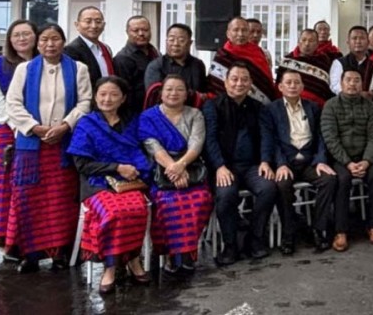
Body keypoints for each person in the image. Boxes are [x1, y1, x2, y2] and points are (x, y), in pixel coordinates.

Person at [5, 24, 92, 271]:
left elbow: (85, 102)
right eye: (45, 40)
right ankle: (29, 254)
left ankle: (59, 253)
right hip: (31, 147)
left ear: (63, 42)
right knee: (27, 199)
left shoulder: (78, 69)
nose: (50, 44)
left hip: (64, 144)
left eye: (55, 39)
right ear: (38, 43)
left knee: (61, 201)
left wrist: (65, 125)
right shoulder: (24, 69)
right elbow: (13, 103)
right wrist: (34, 127)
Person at [67, 76, 150, 294]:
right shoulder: (86, 124)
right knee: (114, 212)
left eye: (114, 94)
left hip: (128, 182)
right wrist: (116, 168)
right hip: (96, 183)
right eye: (102, 94)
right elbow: (82, 164)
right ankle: (110, 267)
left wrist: (132, 170)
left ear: (123, 98)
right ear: (95, 96)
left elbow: (140, 154)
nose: (107, 99)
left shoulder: (132, 123)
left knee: (136, 209)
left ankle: (133, 260)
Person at [137, 75, 213, 277]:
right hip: (161, 170)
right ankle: (172, 254)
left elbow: (197, 142)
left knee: (200, 199)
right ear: (161, 93)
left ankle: (187, 252)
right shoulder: (148, 116)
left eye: (179, 89)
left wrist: (181, 165)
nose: (173, 93)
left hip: (190, 166)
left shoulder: (195, 114)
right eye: (169, 89)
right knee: (167, 202)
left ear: (186, 93)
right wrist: (173, 168)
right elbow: (152, 145)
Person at [203, 63, 278, 265]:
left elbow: (266, 137)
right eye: (234, 79)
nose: (239, 83)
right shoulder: (212, 106)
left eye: (244, 79)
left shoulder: (259, 107)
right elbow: (209, 140)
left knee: (269, 188)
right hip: (224, 166)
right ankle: (230, 245)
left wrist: (265, 161)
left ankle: (254, 238)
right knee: (226, 194)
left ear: (250, 83)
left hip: (252, 165)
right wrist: (219, 166)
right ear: (225, 82)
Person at [0, 19, 37, 257]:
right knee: (5, 186)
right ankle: (7, 243)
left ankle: (33, 240)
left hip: (37, 129)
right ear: (10, 41)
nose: (22, 39)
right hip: (6, 131)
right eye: (17, 35)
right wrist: (21, 125)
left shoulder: (42, 64)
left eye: (27, 34)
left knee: (31, 186)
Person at [263, 69, 337, 254]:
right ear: (280, 87)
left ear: (303, 86)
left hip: (310, 161)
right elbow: (270, 140)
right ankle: (289, 233)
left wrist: (321, 160)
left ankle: (319, 229)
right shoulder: (271, 110)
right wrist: (280, 164)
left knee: (329, 180)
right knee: (282, 184)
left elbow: (321, 137)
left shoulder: (313, 107)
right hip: (286, 162)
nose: (293, 86)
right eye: (288, 83)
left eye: (297, 82)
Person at [322, 69, 373, 247]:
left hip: (366, 157)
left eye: (357, 80)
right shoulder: (330, 105)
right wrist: (348, 163)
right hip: (341, 159)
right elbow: (330, 138)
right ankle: (340, 231)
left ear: (362, 84)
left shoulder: (371, 107)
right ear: (341, 83)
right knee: (342, 180)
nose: (352, 84)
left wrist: (366, 161)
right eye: (348, 80)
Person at [209, 17, 279, 104]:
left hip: (258, 106)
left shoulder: (258, 52)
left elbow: (266, 80)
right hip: (226, 105)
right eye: (236, 30)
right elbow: (215, 84)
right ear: (228, 34)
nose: (240, 34)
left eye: (244, 30)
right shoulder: (223, 55)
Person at [143, 23, 208, 105]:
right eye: (171, 40)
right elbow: (155, 95)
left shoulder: (198, 65)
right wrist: (193, 95)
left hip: (193, 113)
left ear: (190, 43)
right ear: (166, 42)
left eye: (181, 40)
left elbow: (203, 93)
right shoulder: (156, 66)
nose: (176, 44)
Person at [113, 15, 159, 117]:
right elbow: (124, 93)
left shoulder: (154, 52)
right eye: (135, 30)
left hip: (157, 110)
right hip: (137, 113)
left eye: (145, 30)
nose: (141, 34)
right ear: (127, 32)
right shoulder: (123, 58)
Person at [277, 28, 334, 107]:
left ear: (317, 44)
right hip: (289, 105)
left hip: (317, 107)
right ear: (298, 42)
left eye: (311, 41)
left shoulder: (324, 61)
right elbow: (279, 86)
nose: (307, 44)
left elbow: (327, 86)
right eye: (304, 40)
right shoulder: (287, 61)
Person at [64, 6, 115, 89]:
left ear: (104, 25)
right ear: (77, 25)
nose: (94, 26)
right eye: (88, 21)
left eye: (98, 21)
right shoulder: (71, 50)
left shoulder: (105, 48)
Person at [329, 25, 371, 96]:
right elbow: (334, 85)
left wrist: (371, 93)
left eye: (362, 38)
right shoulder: (339, 63)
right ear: (348, 42)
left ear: (368, 42)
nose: (358, 41)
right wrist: (350, 94)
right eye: (354, 38)